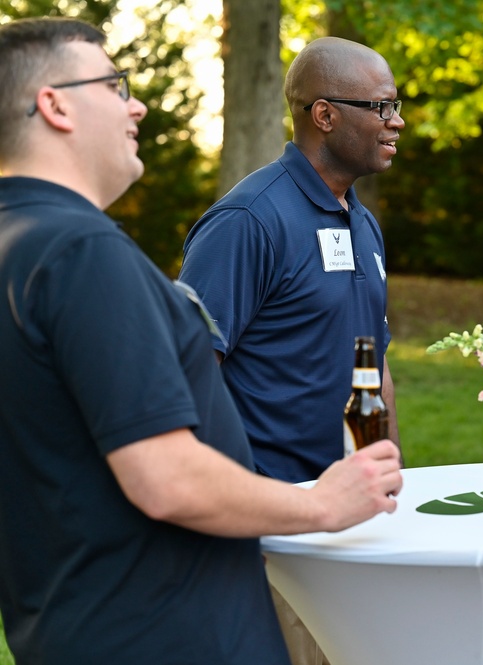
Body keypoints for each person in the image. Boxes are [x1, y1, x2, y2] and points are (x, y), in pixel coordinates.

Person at [0, 17, 402, 665]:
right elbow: (163, 475)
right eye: (114, 84)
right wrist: (319, 503)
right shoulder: (81, 250)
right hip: (163, 625)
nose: (138, 102)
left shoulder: (21, 240)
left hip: (69, 618)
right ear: (54, 104)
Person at [177, 36, 405, 665]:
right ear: (324, 114)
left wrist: (386, 469)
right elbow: (188, 369)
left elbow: (372, 355)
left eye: (396, 105)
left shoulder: (361, 220)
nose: (398, 121)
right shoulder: (248, 221)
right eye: (381, 107)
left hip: (354, 517)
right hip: (277, 530)